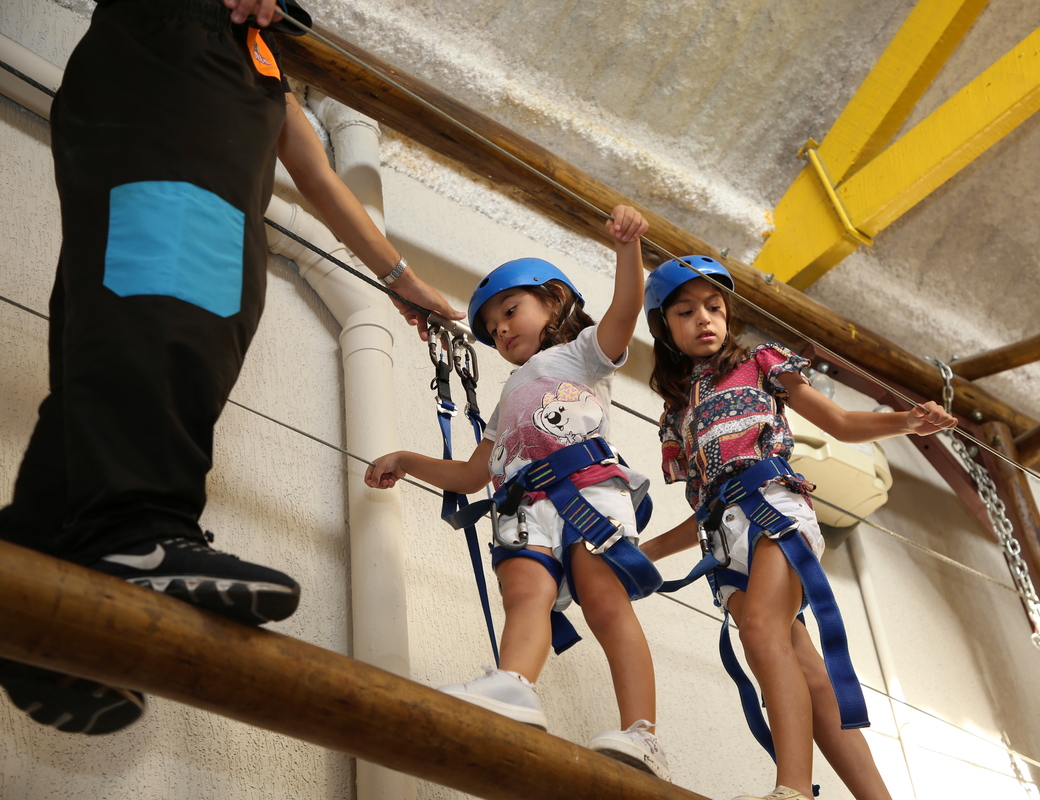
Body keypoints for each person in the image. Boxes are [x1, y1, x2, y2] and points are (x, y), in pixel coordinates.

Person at [0, 0, 463, 735]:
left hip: (199, 96)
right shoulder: (196, 23)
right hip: (169, 68)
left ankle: (45, 557)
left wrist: (399, 279)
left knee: (177, 327)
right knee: (162, 314)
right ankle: (136, 530)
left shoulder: (260, 60)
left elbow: (316, 174)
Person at [364, 206, 671, 781]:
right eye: (493, 327)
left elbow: (625, 310)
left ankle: (643, 734)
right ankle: (514, 685)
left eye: (510, 311)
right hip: (525, 504)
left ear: (555, 302)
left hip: (585, 491)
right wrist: (407, 460)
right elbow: (472, 475)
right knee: (524, 592)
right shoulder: (507, 397)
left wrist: (628, 248)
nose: (502, 329)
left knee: (605, 603)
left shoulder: (581, 354)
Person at [638, 256, 956, 800]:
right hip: (723, 544)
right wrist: (642, 554)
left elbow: (840, 423)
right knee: (801, 666)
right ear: (665, 328)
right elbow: (704, 509)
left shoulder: (759, 361)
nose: (704, 319)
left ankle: (792, 789)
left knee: (762, 633)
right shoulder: (677, 414)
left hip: (773, 508)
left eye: (714, 307)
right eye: (686, 312)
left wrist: (907, 421)